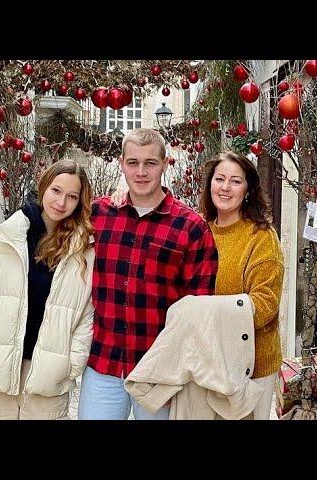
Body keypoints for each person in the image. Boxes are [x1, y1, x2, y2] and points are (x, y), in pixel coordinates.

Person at [78, 128, 218, 420]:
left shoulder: (191, 227)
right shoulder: (98, 215)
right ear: (121, 164)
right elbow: (53, 226)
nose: (141, 172)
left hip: (161, 370)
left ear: (164, 164)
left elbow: (200, 308)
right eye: (133, 162)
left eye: (150, 163)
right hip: (104, 361)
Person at [0, 160, 95, 420]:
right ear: (43, 187)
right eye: (56, 190)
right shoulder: (7, 237)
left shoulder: (83, 250)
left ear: (79, 202)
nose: (61, 202)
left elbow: (86, 315)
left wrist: (70, 364)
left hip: (49, 378)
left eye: (72, 196)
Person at [199, 150, 284, 420]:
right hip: (207, 360)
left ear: (248, 190)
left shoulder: (261, 236)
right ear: (210, 184)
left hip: (252, 364)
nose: (225, 187)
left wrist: (207, 315)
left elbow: (265, 304)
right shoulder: (198, 230)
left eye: (235, 181)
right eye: (219, 179)